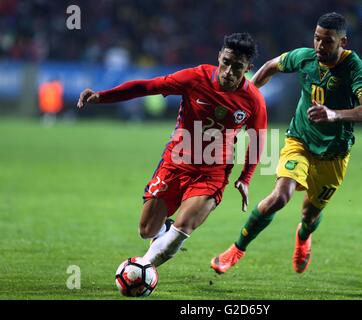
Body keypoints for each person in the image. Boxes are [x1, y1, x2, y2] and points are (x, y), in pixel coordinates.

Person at [77, 33, 267, 268]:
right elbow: (147, 87)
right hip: (176, 162)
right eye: (226, 62)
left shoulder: (253, 100)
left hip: (212, 172)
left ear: (248, 68)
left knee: (183, 226)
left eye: (237, 67)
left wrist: (245, 178)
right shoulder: (195, 78)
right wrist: (101, 97)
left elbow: (257, 139)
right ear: (219, 57)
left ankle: (142, 269)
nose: (229, 71)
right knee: (147, 231)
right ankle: (158, 239)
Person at [211, 12, 362, 274]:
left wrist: (333, 115)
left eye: (328, 42)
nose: (320, 46)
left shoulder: (353, 68)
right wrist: (248, 98)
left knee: (309, 216)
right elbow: (270, 66)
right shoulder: (304, 57)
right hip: (299, 140)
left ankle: (303, 236)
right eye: (317, 39)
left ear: (343, 42)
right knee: (280, 197)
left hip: (334, 154)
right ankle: (236, 249)